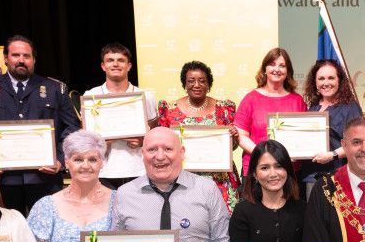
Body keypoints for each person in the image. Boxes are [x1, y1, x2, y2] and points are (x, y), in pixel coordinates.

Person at [0, 35, 81, 214]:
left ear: (34, 60)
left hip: (44, 179)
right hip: (2, 181)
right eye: (16, 55)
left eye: (27, 56)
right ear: (6, 58)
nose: (21, 60)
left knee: (44, 237)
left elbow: (72, 130)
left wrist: (61, 161)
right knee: (4, 235)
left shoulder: (55, 89)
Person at [157, 60, 241, 213]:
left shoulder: (225, 108)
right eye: (191, 81)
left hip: (220, 178)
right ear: (184, 84)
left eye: (202, 81)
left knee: (224, 222)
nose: (196, 85)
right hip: (183, 178)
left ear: (209, 85)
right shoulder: (169, 109)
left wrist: (234, 138)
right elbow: (162, 144)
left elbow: (233, 147)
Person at [86, 42, 159, 190]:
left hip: (139, 169)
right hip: (104, 171)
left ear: (129, 65)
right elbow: (86, 138)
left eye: (121, 60)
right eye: (110, 60)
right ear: (103, 66)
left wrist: (142, 140)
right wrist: (101, 142)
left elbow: (155, 132)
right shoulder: (91, 96)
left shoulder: (146, 96)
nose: (115, 64)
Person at [235, 48, 308, 176]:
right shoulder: (250, 99)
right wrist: (264, 155)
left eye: (282, 66)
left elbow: (304, 136)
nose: (277, 69)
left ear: (288, 71)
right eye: (272, 64)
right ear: (265, 69)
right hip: (256, 169)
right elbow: (241, 136)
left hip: (289, 170)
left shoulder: (297, 100)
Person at [301, 59, 362, 187]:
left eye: (331, 78)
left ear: (339, 80)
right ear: (315, 82)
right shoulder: (313, 107)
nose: (326, 83)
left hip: (338, 176)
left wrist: (332, 155)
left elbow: (357, 142)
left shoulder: (350, 107)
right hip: (311, 177)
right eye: (321, 78)